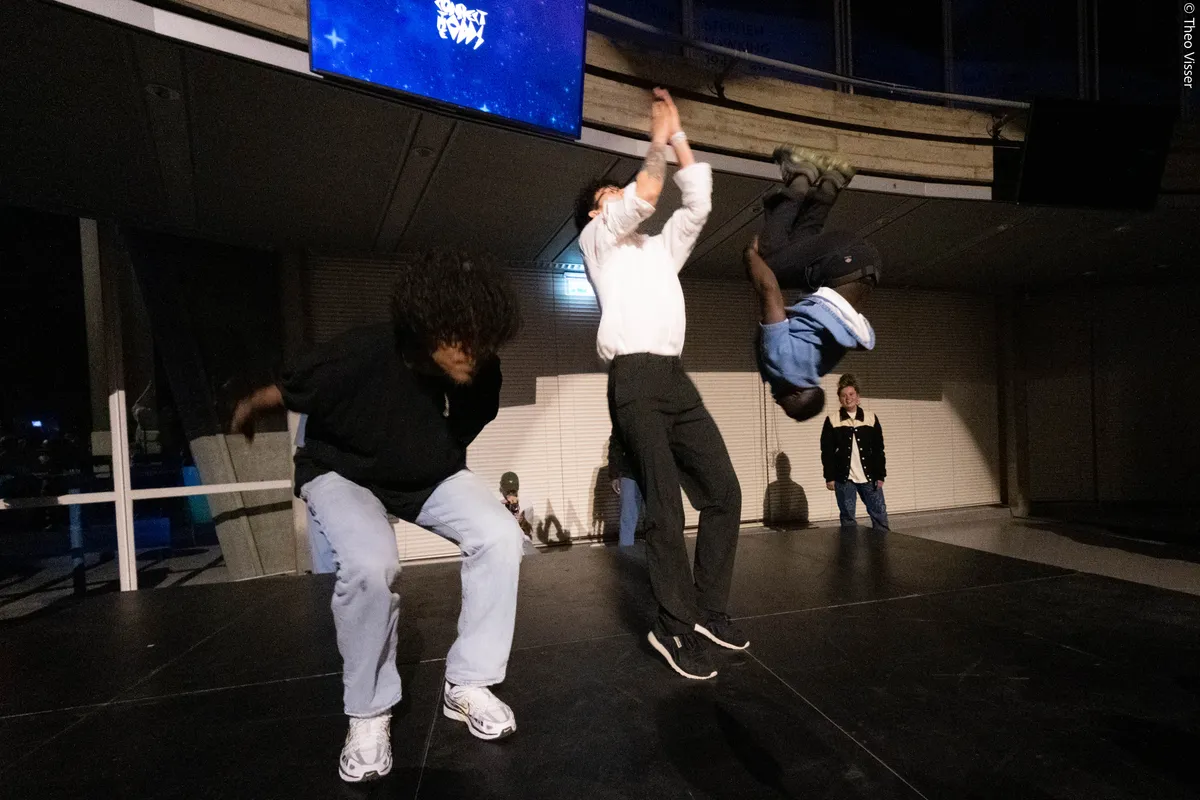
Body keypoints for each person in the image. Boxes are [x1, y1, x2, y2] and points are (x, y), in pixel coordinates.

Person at [230, 251, 524, 784]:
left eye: (483, 343)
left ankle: (468, 683)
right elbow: (287, 390)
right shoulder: (361, 352)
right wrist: (250, 406)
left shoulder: (481, 369)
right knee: (370, 565)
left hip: (424, 476)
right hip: (342, 471)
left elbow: (470, 421)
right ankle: (368, 711)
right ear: (429, 326)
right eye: (463, 341)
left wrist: (432, 450)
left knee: (501, 536)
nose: (474, 355)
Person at [575, 87, 746, 682]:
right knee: (665, 508)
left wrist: (677, 138)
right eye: (608, 195)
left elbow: (696, 204)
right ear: (596, 213)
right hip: (633, 379)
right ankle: (672, 626)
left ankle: (708, 609)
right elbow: (645, 196)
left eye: (617, 189)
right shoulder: (597, 243)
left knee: (724, 491)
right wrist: (655, 144)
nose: (618, 195)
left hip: (674, 378)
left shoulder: (657, 252)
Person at [744, 145, 880, 422]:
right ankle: (800, 174)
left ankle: (833, 180)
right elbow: (769, 291)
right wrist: (750, 256)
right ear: (796, 393)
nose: (776, 400)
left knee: (795, 247)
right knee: (768, 260)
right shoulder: (783, 366)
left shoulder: (816, 367)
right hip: (843, 260)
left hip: (863, 267)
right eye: (784, 404)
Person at [821, 374, 889, 532]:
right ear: (839, 399)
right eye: (843, 395)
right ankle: (849, 547)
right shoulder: (832, 420)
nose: (848, 398)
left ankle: (882, 545)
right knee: (848, 517)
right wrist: (829, 477)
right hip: (844, 480)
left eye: (851, 394)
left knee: (879, 514)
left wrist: (880, 475)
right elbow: (827, 452)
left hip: (869, 478)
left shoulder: (870, 418)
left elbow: (879, 450)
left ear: (858, 397)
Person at [607, 435, 643, 547]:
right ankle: (626, 553)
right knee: (627, 518)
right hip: (630, 473)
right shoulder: (623, 423)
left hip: (654, 473)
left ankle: (658, 554)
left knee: (658, 517)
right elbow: (615, 446)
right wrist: (614, 475)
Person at [499, 471, 539, 555]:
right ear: (502, 489)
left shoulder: (526, 504)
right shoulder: (496, 504)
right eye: (507, 492)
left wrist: (522, 521)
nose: (510, 494)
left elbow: (528, 532)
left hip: (521, 542)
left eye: (513, 491)